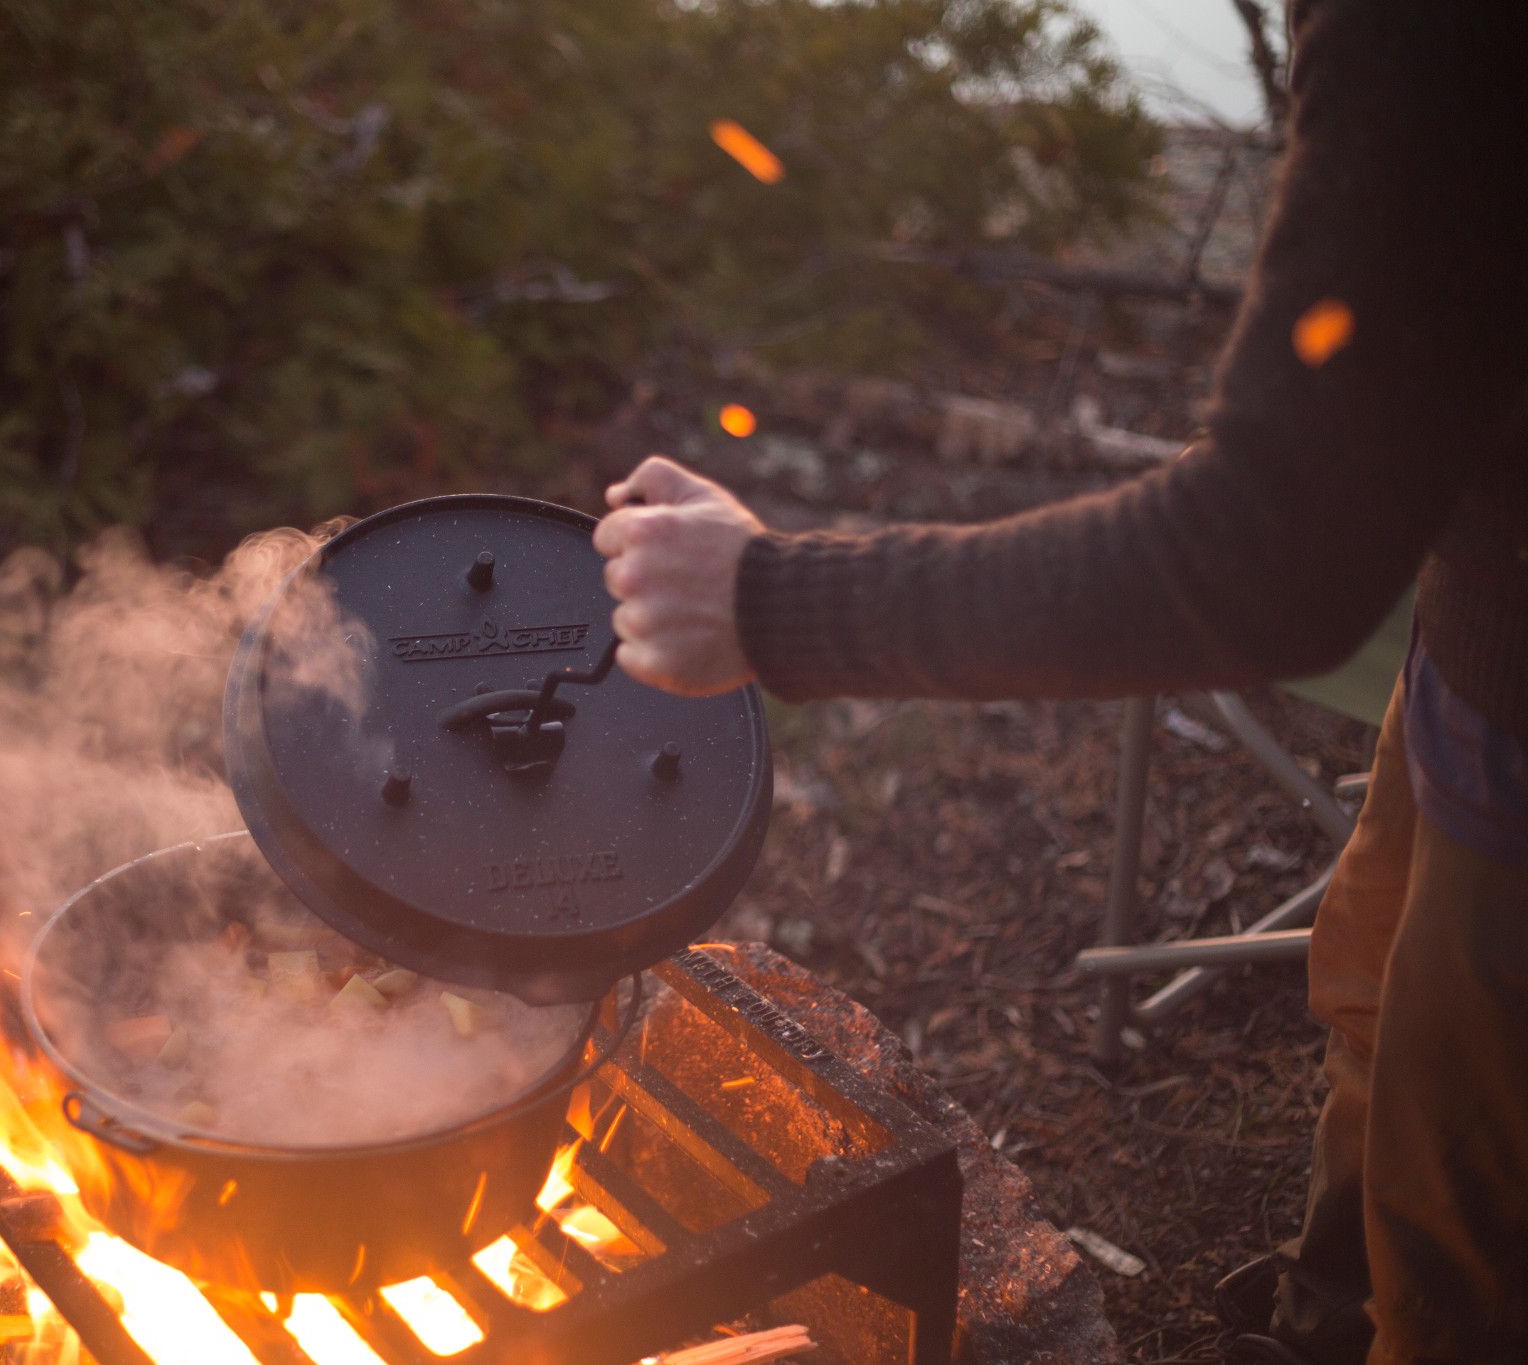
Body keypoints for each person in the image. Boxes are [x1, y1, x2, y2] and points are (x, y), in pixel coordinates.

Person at [592, 3, 1526, 1363]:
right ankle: (1324, 1319)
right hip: (1483, 607)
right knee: (1376, 999)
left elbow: (1273, 557)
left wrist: (771, 601)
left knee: (1478, 1258)